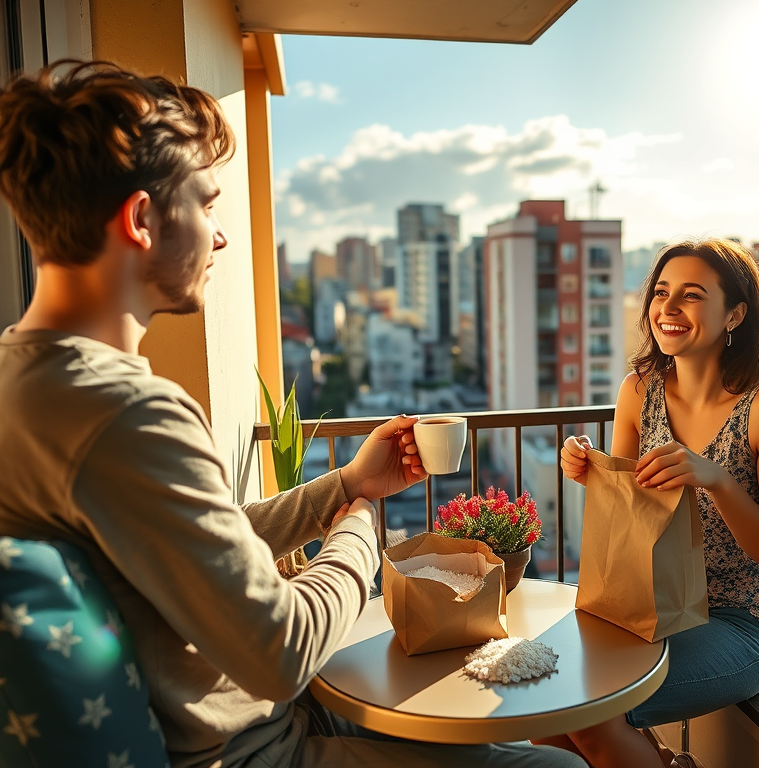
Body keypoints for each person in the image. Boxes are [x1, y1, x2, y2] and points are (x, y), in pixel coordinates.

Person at [0, 60, 583, 768]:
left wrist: (343, 487)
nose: (218, 237)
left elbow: (203, 543)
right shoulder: (125, 413)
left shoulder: (27, 380)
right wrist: (362, 529)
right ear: (143, 220)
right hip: (256, 751)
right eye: (207, 205)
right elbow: (282, 651)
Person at [545, 238, 759, 767]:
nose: (668, 309)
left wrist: (717, 480)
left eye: (692, 296)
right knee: (547, 707)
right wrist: (590, 469)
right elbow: (634, 503)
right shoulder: (639, 389)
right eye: (661, 292)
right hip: (650, 606)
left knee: (591, 712)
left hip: (741, 622)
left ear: (735, 314)